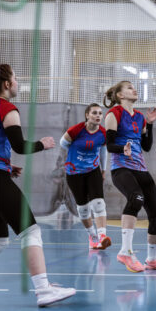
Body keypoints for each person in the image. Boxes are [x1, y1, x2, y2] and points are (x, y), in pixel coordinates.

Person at [0, 64, 76, 307]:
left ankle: (43, 285)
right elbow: (19, 146)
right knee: (30, 231)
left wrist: (5, 166)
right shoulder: (6, 108)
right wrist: (42, 144)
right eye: (16, 78)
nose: (18, 82)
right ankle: (44, 290)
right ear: (7, 84)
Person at [104, 81, 156, 272]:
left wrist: (149, 124)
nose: (134, 89)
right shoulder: (114, 114)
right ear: (120, 95)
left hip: (140, 168)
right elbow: (109, 145)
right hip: (121, 168)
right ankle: (125, 252)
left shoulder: (140, 117)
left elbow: (146, 146)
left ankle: (152, 259)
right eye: (129, 87)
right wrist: (122, 149)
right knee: (136, 198)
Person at [60, 103, 111, 250]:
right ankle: (93, 237)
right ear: (87, 115)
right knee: (83, 209)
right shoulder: (76, 130)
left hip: (93, 170)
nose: (98, 116)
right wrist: (76, 153)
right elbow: (63, 143)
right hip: (74, 173)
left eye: (100, 113)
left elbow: (103, 151)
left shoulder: (103, 133)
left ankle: (102, 236)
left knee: (98, 204)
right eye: (94, 113)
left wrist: (103, 169)